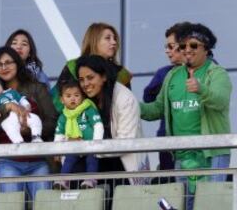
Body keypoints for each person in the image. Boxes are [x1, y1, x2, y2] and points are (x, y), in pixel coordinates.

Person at [140, 23, 232, 210]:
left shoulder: (217, 73)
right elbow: (157, 109)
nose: (187, 50)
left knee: (210, 205)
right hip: (182, 155)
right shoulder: (172, 76)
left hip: (210, 155)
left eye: (194, 45)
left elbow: (221, 100)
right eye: (182, 46)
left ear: (206, 49)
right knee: (187, 205)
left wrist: (201, 89)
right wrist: (130, 107)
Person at [0, 46, 58, 201]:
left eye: (8, 62)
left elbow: (52, 121)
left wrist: (29, 130)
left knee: (43, 205)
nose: (4, 67)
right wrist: (7, 106)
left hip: (39, 160)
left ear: (18, 64)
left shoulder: (36, 88)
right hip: (8, 161)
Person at [76, 55, 150, 207]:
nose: (85, 84)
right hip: (97, 168)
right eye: (81, 79)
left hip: (123, 170)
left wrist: (89, 148)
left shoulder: (124, 98)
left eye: (90, 78)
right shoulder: (83, 101)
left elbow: (124, 143)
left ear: (103, 77)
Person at [53, 22, 133, 113]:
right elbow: (56, 103)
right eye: (108, 38)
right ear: (94, 41)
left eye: (114, 38)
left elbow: (129, 107)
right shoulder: (73, 67)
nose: (114, 42)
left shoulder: (122, 74)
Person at [143, 22, 187, 174]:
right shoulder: (164, 73)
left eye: (170, 46)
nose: (167, 51)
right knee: (172, 186)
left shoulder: (208, 69)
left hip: (196, 144)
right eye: (166, 47)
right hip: (168, 141)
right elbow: (150, 101)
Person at [53, 79, 104, 190]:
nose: (73, 99)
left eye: (76, 95)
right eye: (68, 96)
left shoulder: (88, 109)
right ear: (62, 100)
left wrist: (96, 144)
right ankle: (63, 180)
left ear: (83, 97)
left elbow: (98, 125)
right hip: (74, 147)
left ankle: (90, 180)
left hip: (90, 146)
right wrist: (56, 150)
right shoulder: (63, 116)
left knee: (92, 159)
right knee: (68, 160)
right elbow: (59, 134)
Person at [0, 74, 43, 143]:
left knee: (35, 119)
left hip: (22, 114)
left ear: (1, 86)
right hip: (7, 118)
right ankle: (19, 142)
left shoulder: (11, 92)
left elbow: (21, 99)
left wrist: (27, 105)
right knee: (11, 129)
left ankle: (36, 136)